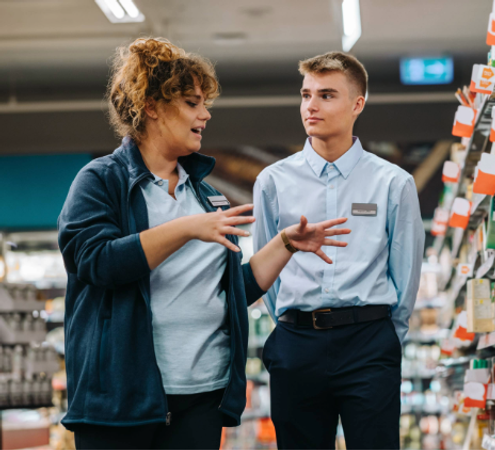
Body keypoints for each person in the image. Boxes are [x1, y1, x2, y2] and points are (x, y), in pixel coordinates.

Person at [57, 38, 350, 449]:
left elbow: (230, 292)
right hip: (122, 400)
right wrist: (185, 228)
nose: (205, 114)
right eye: (193, 103)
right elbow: (95, 262)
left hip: (201, 396)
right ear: (152, 106)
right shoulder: (102, 181)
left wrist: (285, 243)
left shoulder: (207, 196)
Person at [252, 51, 425, 449]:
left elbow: (405, 275)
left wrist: (384, 339)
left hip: (369, 343)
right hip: (296, 345)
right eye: (305, 94)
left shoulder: (392, 183)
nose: (311, 105)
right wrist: (293, 321)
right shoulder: (272, 182)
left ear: (357, 104)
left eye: (326, 95)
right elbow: (265, 269)